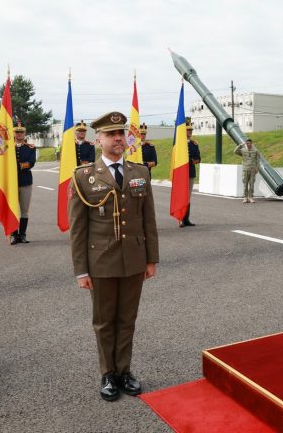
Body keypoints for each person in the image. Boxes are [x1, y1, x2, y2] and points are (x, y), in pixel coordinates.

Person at [68, 111, 159, 402]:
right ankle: (108, 374)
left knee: (127, 319)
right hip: (101, 261)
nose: (118, 139)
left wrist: (151, 259)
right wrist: (81, 271)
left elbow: (149, 221)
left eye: (121, 133)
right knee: (104, 321)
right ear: (99, 140)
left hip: (134, 259)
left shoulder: (140, 172)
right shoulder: (83, 177)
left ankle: (124, 371)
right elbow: (78, 230)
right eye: (111, 134)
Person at [11, 121, 35, 245]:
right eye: (17, 132)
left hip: (25, 182)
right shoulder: (8, 147)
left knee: (24, 210)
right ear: (13, 133)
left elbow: (31, 162)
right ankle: (14, 235)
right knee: (13, 210)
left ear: (25, 133)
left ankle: (23, 234)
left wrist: (18, 166)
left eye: (21, 132)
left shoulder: (30, 147)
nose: (19, 134)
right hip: (11, 183)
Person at [181, 118, 200, 227]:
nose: (190, 132)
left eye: (191, 130)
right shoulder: (179, 143)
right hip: (181, 174)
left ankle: (186, 219)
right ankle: (181, 218)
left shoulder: (194, 144)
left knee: (188, 197)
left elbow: (198, 158)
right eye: (188, 130)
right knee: (181, 196)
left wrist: (193, 160)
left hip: (190, 172)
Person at [235, 139, 260, 203]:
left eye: (249, 143)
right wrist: (240, 145)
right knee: (245, 184)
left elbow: (258, 160)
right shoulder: (243, 150)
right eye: (247, 143)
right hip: (245, 169)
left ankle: (250, 197)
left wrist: (257, 168)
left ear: (252, 143)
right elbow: (235, 151)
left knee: (252, 184)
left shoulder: (255, 151)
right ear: (245, 144)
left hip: (252, 170)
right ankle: (245, 197)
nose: (248, 144)